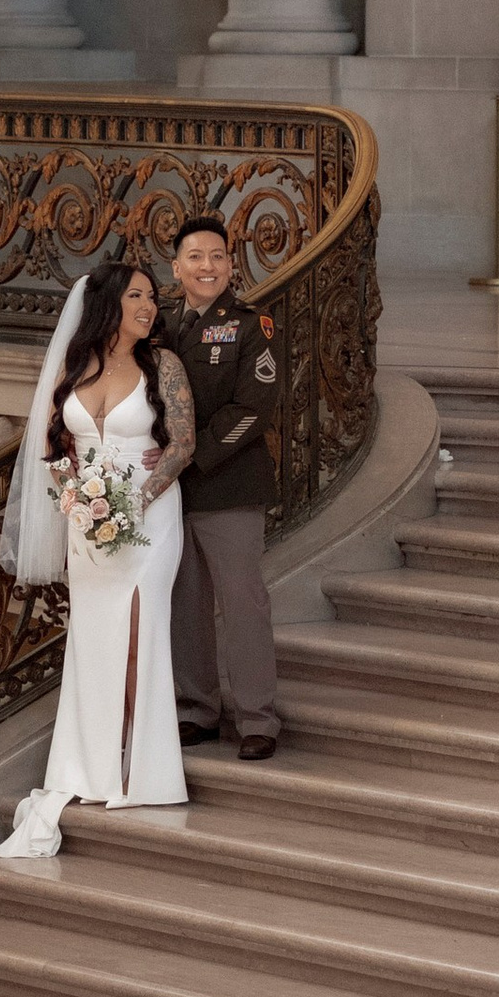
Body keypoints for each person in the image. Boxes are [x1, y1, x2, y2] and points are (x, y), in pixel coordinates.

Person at [0, 252, 195, 860]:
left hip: (151, 514)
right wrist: (78, 503)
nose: (148, 306)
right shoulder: (74, 367)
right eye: (136, 296)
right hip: (88, 517)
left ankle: (142, 770)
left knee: (141, 629)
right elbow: (52, 447)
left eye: (152, 297)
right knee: (94, 636)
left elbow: (184, 442)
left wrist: (138, 499)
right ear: (108, 304)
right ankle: (91, 764)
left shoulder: (165, 365)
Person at [161, 213, 283, 761]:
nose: (206, 266)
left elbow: (254, 408)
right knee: (185, 602)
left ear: (231, 264)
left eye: (217, 257)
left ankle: (258, 717)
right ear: (177, 267)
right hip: (171, 491)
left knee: (242, 604)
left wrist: (193, 454)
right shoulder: (159, 324)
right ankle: (197, 710)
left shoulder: (252, 325)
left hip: (228, 482)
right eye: (195, 257)